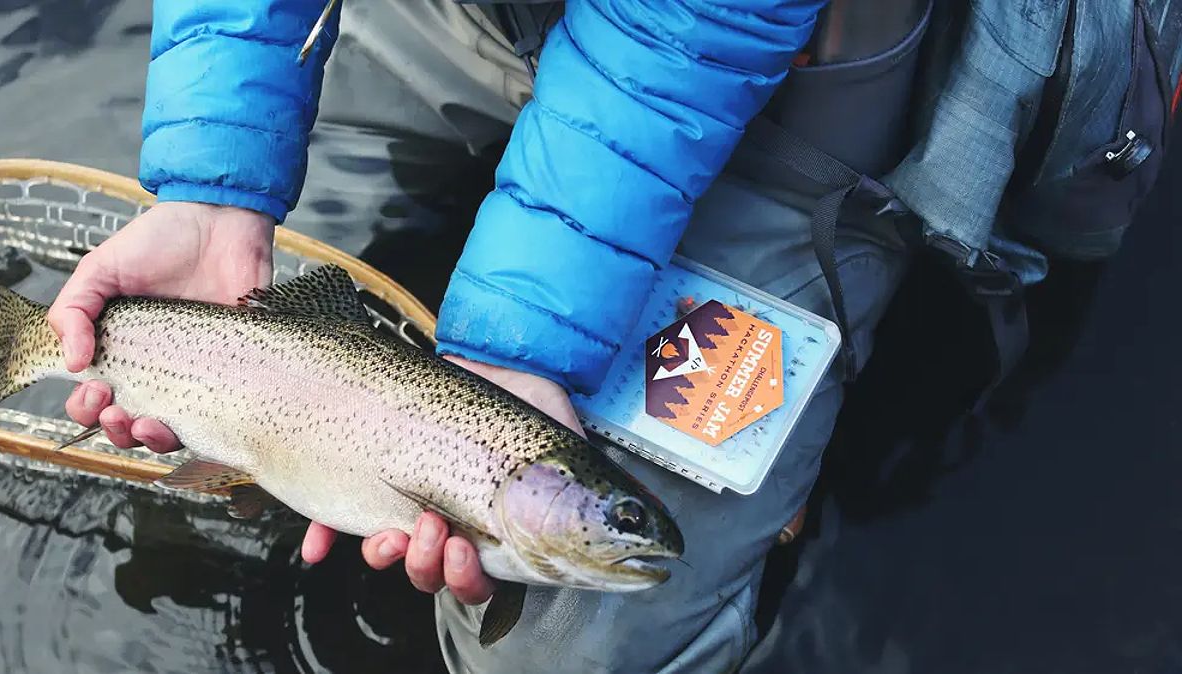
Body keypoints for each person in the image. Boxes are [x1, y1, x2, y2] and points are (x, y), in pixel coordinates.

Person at [45, 1, 923, 671]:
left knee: (559, 652)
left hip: (756, 80)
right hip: (480, 17)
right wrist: (213, 184)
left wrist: (519, 348)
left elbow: (674, 44)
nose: (623, 526)